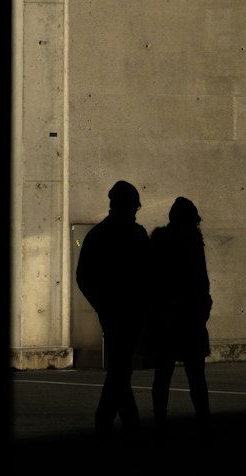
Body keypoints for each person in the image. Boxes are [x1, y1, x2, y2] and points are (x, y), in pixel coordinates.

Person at [75, 179, 150, 438]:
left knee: (120, 369)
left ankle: (114, 422)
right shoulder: (137, 235)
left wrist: (102, 305)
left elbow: (84, 277)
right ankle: (118, 422)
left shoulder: (98, 236)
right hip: (130, 313)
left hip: (114, 313)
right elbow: (149, 275)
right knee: (120, 369)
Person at [144, 196, 213, 434]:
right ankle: (203, 422)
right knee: (195, 377)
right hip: (188, 318)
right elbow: (201, 283)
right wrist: (203, 308)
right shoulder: (193, 243)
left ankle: (160, 423)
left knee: (163, 376)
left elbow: (152, 284)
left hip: (168, 320)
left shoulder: (160, 243)